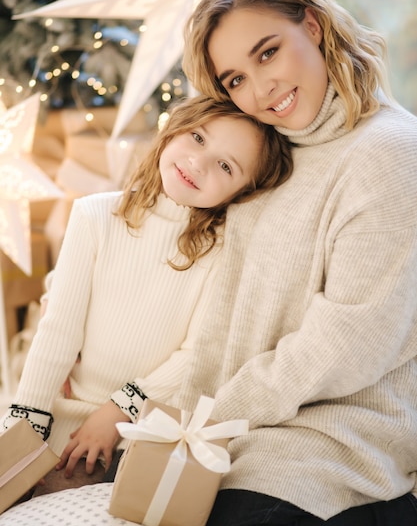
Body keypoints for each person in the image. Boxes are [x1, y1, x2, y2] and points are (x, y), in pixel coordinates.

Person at [175, 0, 417, 526]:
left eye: (268, 53)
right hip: (238, 441)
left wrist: (216, 412)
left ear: (313, 24)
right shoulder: (273, 158)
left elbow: (352, 341)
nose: (260, 91)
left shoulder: (389, 154)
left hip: (339, 451)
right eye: (234, 79)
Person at [0, 94, 292, 494]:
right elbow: (58, 330)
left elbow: (195, 355)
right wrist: (27, 420)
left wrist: (118, 410)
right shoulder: (94, 216)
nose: (198, 163)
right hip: (61, 415)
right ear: (173, 128)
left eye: (226, 166)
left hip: (140, 432)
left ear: (242, 192)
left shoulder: (222, 255)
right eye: (198, 138)